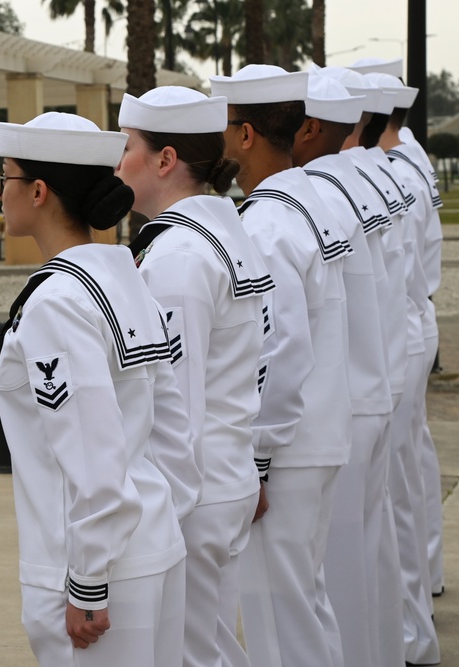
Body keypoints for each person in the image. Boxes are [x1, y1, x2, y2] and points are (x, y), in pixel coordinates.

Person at [0, 111, 197, 667]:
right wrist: (168, 523)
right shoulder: (123, 276)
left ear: (38, 191)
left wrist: (87, 581)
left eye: (3, 177)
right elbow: (172, 427)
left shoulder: (57, 300)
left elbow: (90, 446)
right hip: (153, 543)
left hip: (93, 567)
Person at [115, 86, 272, 667]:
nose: (117, 162)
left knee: (186, 654)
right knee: (208, 647)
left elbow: (174, 400)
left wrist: (155, 515)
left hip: (194, 492)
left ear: (164, 159)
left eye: (127, 146)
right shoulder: (221, 233)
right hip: (223, 474)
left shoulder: (178, 258)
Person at [209, 64, 353, 667]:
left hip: (287, 447)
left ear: (245, 135)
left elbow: (281, 348)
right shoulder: (311, 201)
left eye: (224, 124)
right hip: (320, 432)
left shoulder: (265, 223)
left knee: (278, 617)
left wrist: (257, 461)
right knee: (306, 603)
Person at [290, 74, 393, 667]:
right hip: (368, 384)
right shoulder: (360, 183)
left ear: (309, 128)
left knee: (325, 583)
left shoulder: (316, 193)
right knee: (363, 560)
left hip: (338, 404)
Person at [373, 70, 447, 604]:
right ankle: (423, 583)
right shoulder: (411, 162)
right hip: (413, 319)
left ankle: (411, 613)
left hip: (401, 325)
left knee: (396, 479)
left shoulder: (393, 172)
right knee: (410, 464)